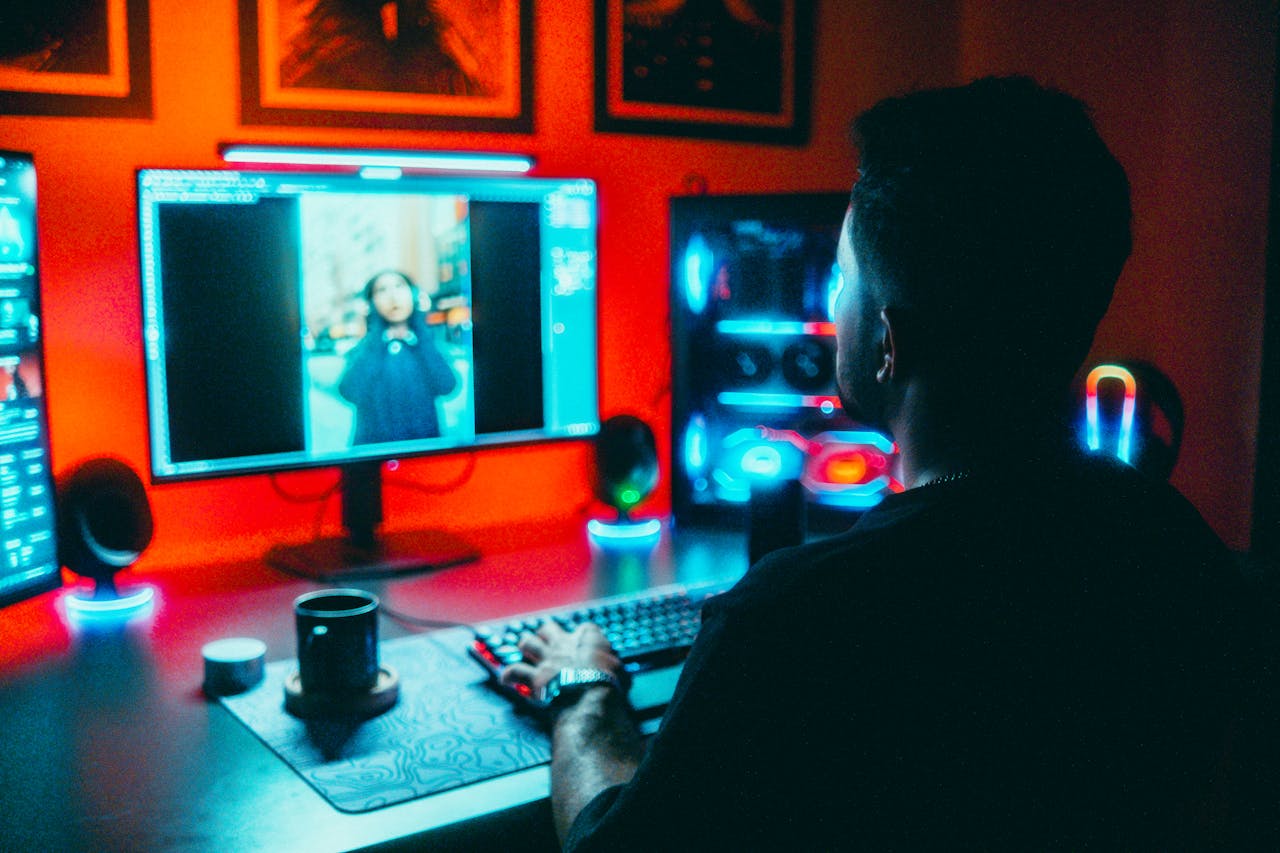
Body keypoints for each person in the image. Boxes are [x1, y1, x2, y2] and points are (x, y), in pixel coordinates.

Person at [501, 77, 1279, 849]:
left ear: (888, 341)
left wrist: (584, 691)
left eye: (840, 278)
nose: (832, 302)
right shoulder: (1179, 549)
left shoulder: (796, 617)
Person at [338, 269, 458, 445]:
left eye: (399, 286)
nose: (393, 296)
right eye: (382, 290)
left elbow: (447, 386)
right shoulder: (363, 349)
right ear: (371, 303)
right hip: (374, 456)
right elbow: (349, 392)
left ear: (413, 294)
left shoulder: (426, 343)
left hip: (423, 453)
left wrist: (421, 333)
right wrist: (376, 338)